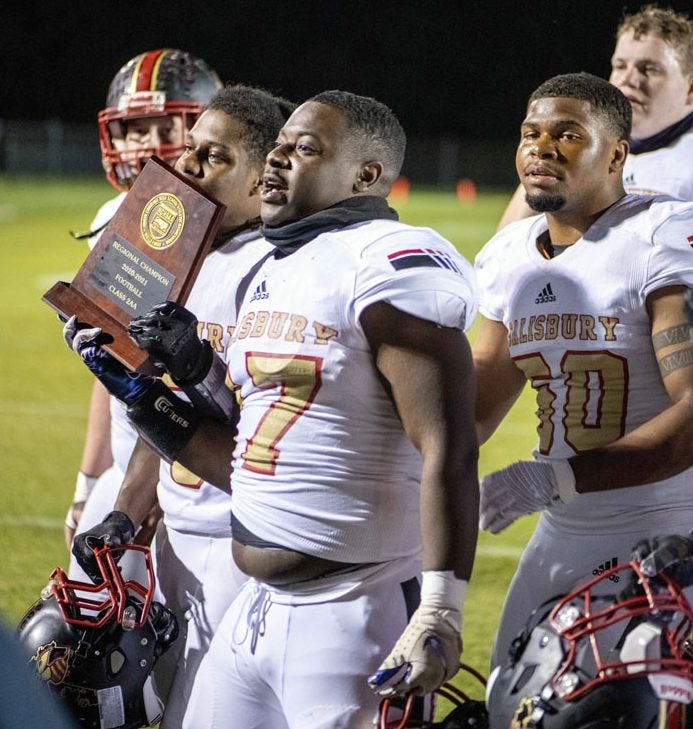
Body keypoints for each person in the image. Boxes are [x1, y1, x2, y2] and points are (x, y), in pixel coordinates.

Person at [65, 90, 481, 728]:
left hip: (352, 603)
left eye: (304, 148)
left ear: (366, 175)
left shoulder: (386, 261)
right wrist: (145, 396)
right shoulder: (281, 268)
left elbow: (450, 447)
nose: (282, 160)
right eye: (282, 146)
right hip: (259, 597)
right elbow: (253, 448)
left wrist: (441, 608)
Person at [68, 84, 293, 729]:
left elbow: (268, 432)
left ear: (263, 177)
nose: (187, 166)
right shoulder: (189, 256)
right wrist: (126, 511)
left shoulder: (280, 271)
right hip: (177, 534)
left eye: (213, 157)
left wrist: (198, 371)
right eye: (192, 149)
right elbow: (164, 423)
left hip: (243, 541)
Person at [472, 72, 693, 670]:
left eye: (567, 135)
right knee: (507, 697)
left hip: (671, 527)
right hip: (565, 525)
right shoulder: (508, 255)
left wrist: (550, 479)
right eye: (530, 134)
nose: (541, 148)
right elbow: (474, 404)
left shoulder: (662, 237)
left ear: (618, 153)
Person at [65, 50, 223, 581]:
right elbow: (107, 352)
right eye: (134, 129)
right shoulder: (114, 216)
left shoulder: (230, 228)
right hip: (127, 460)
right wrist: (90, 481)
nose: (144, 144)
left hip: (202, 471)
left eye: (162, 127)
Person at [496, 4, 693, 229]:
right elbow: (508, 239)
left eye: (649, 69)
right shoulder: (584, 146)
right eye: (620, 66)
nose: (628, 79)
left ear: (690, 89)